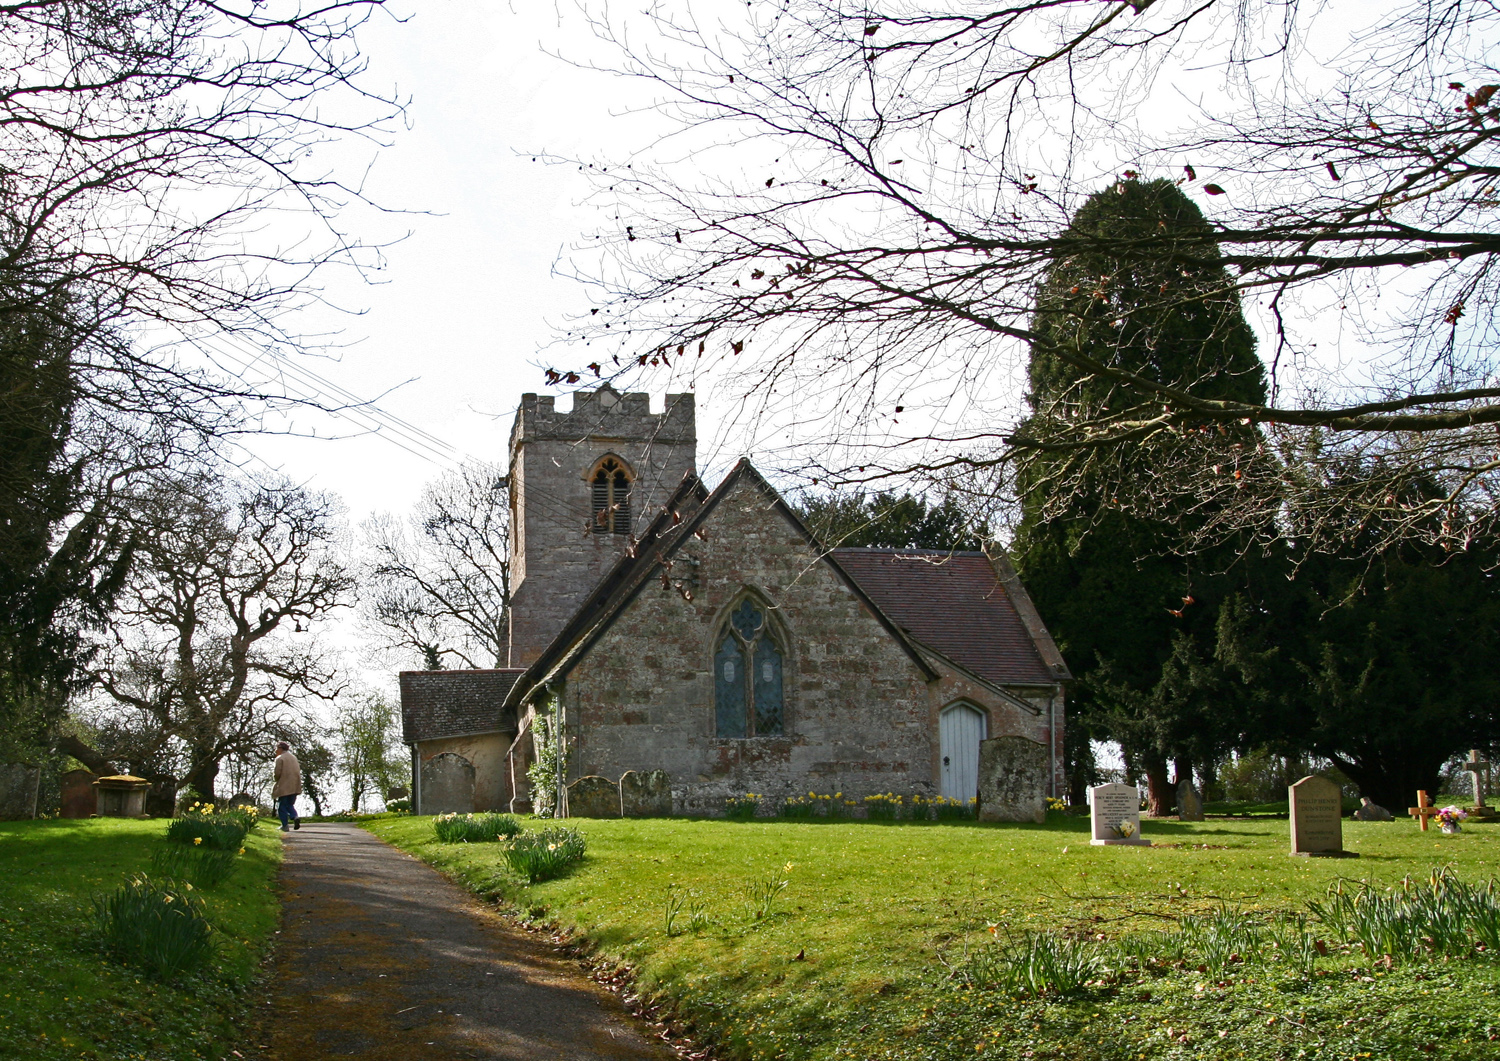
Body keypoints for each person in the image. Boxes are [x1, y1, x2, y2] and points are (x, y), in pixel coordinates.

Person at [272, 741, 302, 832]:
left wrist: (276, 780)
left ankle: (284, 825)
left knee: (281, 806)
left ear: (280, 748)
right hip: (295, 785)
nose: (276, 750)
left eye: (277, 748)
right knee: (289, 804)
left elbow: (277, 773)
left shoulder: (280, 758)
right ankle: (294, 816)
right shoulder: (294, 758)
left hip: (284, 785)